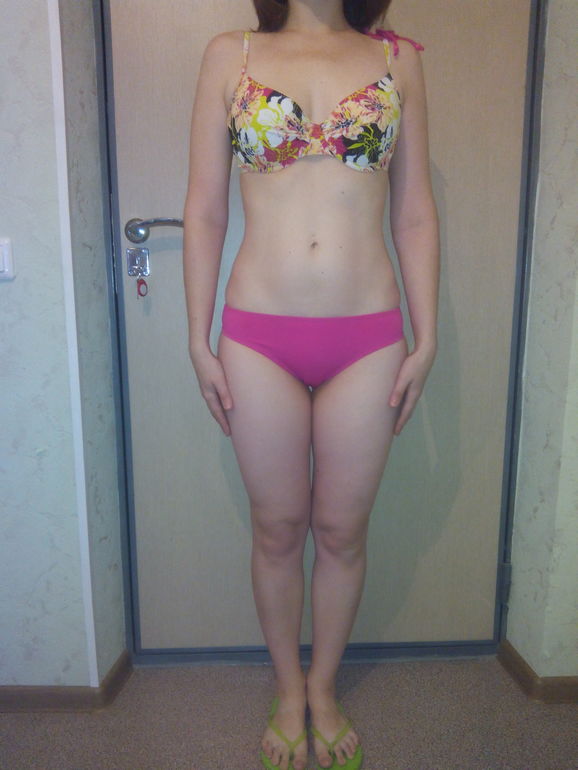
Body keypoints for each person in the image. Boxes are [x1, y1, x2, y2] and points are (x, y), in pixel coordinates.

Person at [183, 0, 439, 767]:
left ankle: (322, 689)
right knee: (277, 528)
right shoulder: (230, 53)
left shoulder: (397, 60)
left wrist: (427, 338)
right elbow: (204, 211)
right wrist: (196, 338)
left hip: (369, 337)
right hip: (257, 336)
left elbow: (414, 214)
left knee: (340, 532)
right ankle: (287, 687)